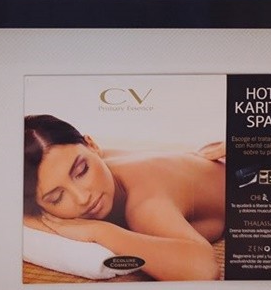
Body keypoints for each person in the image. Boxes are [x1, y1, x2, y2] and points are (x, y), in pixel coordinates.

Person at [24, 114, 226, 282]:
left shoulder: (143, 206)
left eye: (82, 171)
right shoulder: (97, 162)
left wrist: (101, 232)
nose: (82, 198)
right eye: (57, 198)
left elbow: (204, 271)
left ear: (92, 145)